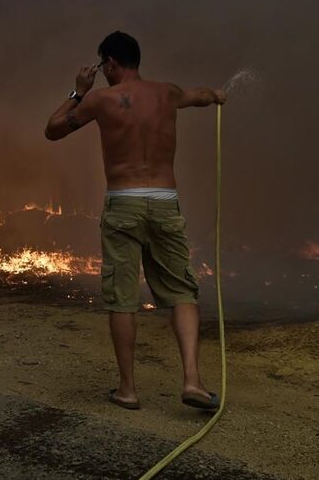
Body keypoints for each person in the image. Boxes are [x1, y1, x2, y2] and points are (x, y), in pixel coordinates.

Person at [44, 30, 226, 411]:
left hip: (123, 203)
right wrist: (216, 95)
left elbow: (53, 129)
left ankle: (127, 390)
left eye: (103, 66)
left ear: (110, 63)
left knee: (122, 299)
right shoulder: (168, 93)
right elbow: (200, 95)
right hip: (164, 202)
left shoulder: (100, 101)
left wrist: (78, 91)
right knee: (182, 292)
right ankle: (192, 380)